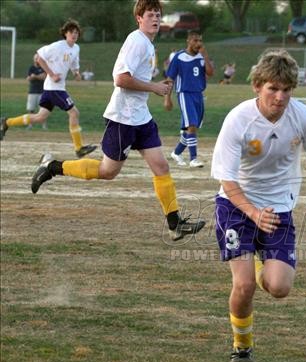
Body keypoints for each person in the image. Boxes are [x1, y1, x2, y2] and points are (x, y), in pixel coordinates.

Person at [30, 0, 206, 242]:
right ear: (139, 18)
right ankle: (52, 167)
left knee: (161, 167)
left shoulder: (147, 44)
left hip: (141, 117)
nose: (155, 18)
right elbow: (120, 79)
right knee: (107, 171)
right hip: (123, 118)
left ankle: (175, 225)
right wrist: (154, 87)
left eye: (158, 14)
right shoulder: (136, 41)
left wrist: (153, 86)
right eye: (150, 15)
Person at [211, 49, 306, 362]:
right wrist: (253, 213)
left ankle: (261, 266)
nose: (280, 97)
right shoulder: (238, 119)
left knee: (279, 287)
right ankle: (242, 346)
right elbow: (227, 179)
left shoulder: (302, 116)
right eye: (273, 89)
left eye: (286, 90)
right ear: (257, 86)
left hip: (278, 208)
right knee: (243, 285)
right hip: (236, 207)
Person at [0, 20, 96, 157]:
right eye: (71, 32)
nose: (74, 35)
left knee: (40, 117)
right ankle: (79, 148)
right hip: (54, 89)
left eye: (76, 32)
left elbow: (74, 62)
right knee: (74, 113)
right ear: (65, 33)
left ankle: (7, 122)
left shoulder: (76, 48)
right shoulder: (57, 46)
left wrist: (76, 72)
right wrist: (51, 74)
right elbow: (39, 58)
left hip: (54, 88)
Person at [164, 31, 214, 168]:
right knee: (191, 125)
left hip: (199, 94)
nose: (199, 44)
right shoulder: (179, 57)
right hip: (184, 93)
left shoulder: (202, 56)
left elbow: (210, 73)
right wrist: (167, 98)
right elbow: (170, 79)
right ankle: (193, 159)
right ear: (188, 41)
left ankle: (176, 152)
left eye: (200, 41)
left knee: (192, 127)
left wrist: (205, 56)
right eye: (195, 40)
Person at [25, 53, 48, 130]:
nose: (36, 60)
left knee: (43, 110)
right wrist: (37, 76)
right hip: (32, 92)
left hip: (42, 92)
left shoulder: (44, 67)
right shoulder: (31, 68)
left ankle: (44, 126)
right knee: (31, 109)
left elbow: (44, 77)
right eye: (35, 58)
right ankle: (30, 125)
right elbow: (28, 78)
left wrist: (35, 76)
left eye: (37, 58)